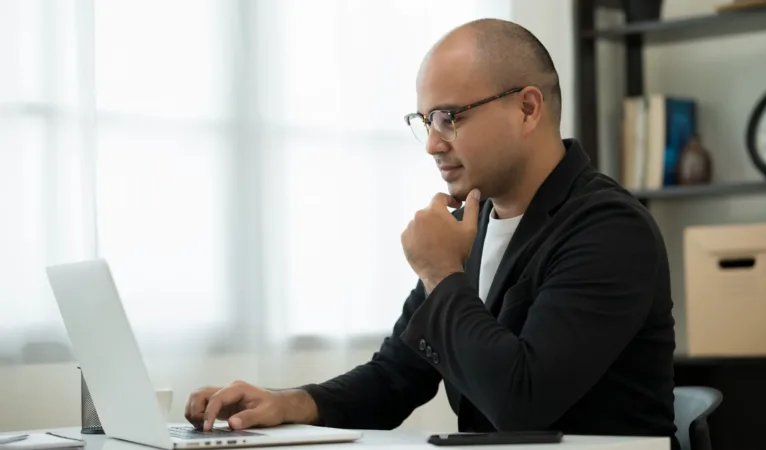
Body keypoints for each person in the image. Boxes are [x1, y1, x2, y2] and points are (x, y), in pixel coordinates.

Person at [185, 17, 678, 448]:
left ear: (528, 109)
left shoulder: (610, 229)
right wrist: (287, 403)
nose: (432, 144)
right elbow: (394, 377)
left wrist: (441, 272)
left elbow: (521, 404)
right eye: (425, 121)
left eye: (449, 118)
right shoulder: (473, 226)